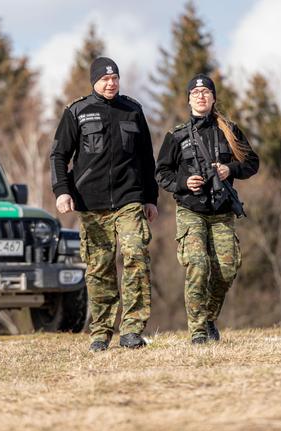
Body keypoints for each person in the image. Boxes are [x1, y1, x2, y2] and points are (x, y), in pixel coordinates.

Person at [50, 57, 158, 352]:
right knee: (100, 268)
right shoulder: (77, 111)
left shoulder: (132, 110)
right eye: (105, 79)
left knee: (136, 255)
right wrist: (62, 191)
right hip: (91, 202)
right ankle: (101, 332)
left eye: (115, 78)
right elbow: (59, 155)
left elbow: (147, 159)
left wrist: (151, 198)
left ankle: (132, 329)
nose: (111, 83)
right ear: (94, 81)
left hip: (129, 198)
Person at [155, 74, 259, 344]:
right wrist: (183, 182)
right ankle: (198, 330)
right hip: (191, 210)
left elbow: (252, 163)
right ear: (189, 99)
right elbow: (161, 173)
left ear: (213, 98)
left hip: (222, 210)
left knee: (227, 268)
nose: (201, 96)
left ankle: (209, 316)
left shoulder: (230, 130)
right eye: (196, 93)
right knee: (198, 265)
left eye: (206, 92)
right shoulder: (176, 136)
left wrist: (230, 169)